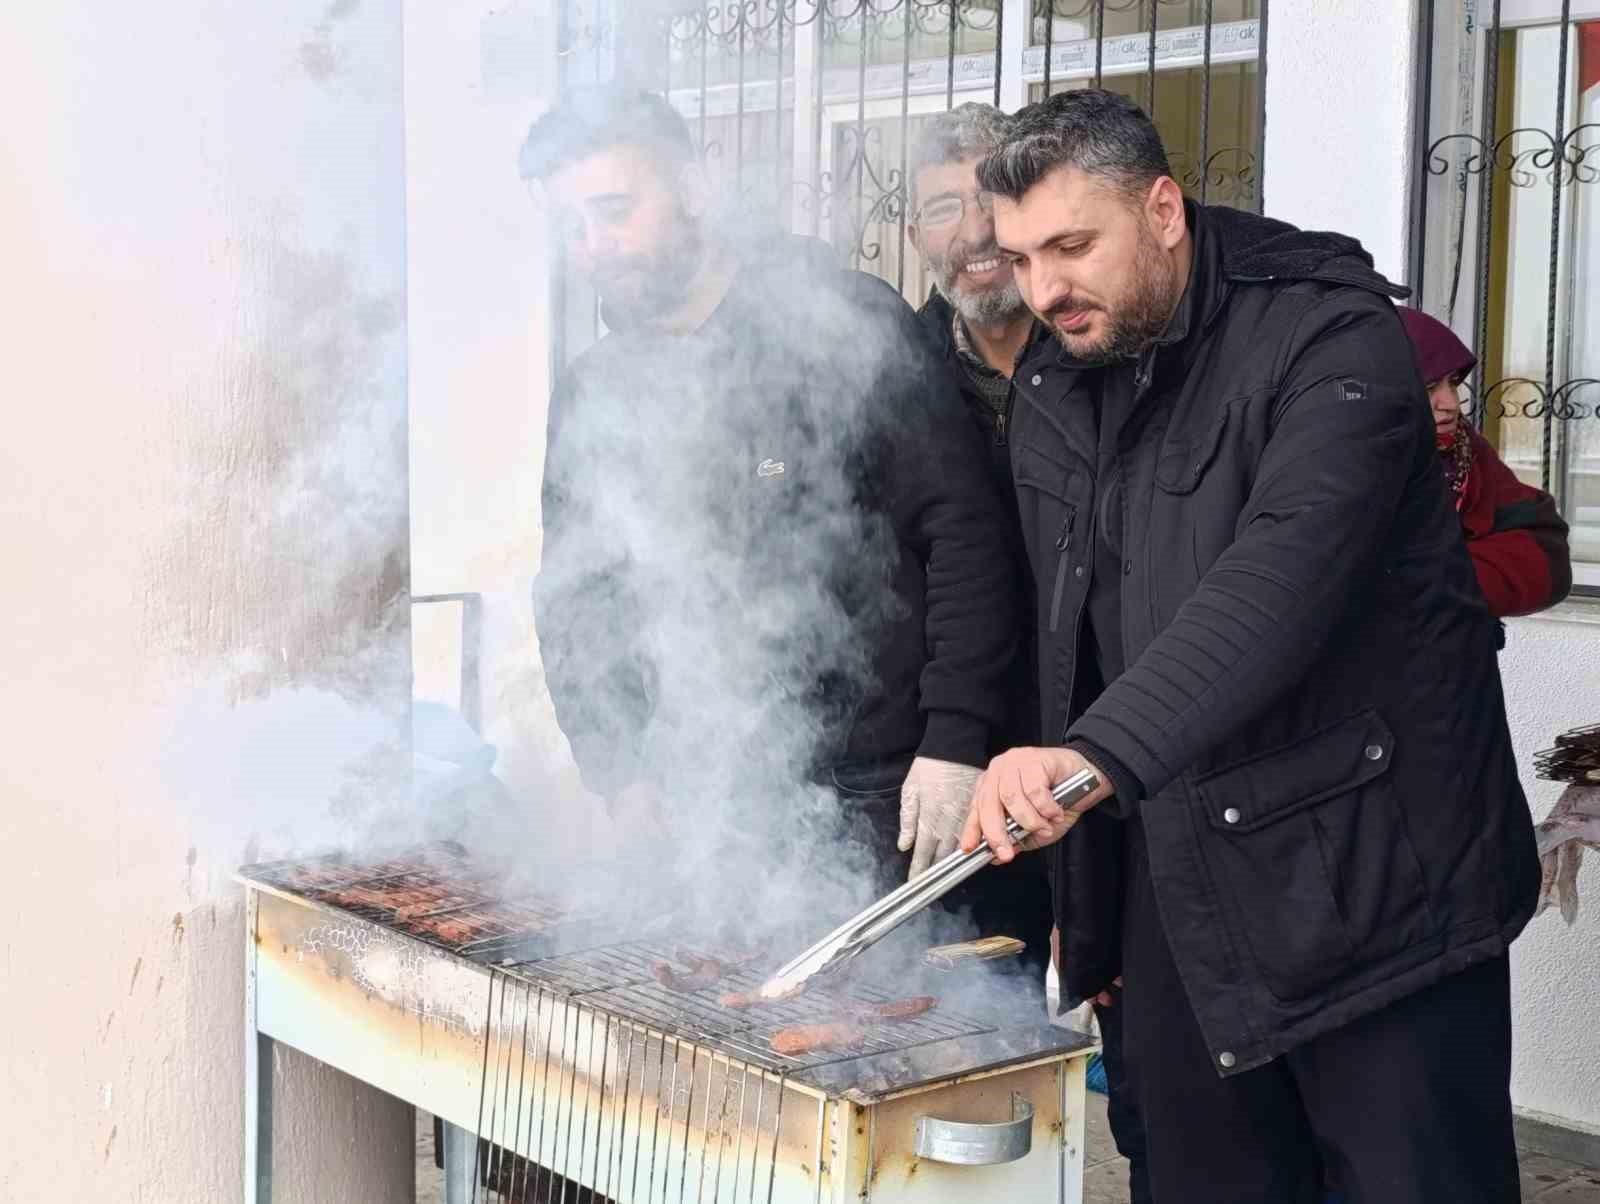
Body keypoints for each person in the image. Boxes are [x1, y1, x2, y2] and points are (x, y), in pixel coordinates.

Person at [960, 89, 1539, 1203]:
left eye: (1072, 246)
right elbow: (1060, 636)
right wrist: (1085, 919)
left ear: (1164, 210)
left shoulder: (1334, 341)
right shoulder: (1052, 375)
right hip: (1176, 891)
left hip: (1380, 892)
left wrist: (1081, 766)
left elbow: (1273, 590)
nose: (1044, 289)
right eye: (1022, 256)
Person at [521, 89, 1019, 922]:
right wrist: (619, 770)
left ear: (695, 186)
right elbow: (577, 600)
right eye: (570, 227)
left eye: (614, 210)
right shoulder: (594, 391)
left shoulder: (845, 323)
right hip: (708, 801)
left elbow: (964, 533)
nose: (594, 247)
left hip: (885, 794)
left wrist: (956, 743)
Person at [903, 101, 1147, 1203]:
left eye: (982, 204)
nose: (969, 236)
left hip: (1121, 740)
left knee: (1137, 1026)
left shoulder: (1101, 341)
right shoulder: (899, 368)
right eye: (936, 209)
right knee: (970, 1037)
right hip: (968, 756)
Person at [1398, 306, 1571, 623]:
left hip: (1456, 662)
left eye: (1453, 383)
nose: (1450, 404)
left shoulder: (1466, 450)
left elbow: (1547, 554)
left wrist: (1441, 583)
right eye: (1428, 388)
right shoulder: (1324, 463)